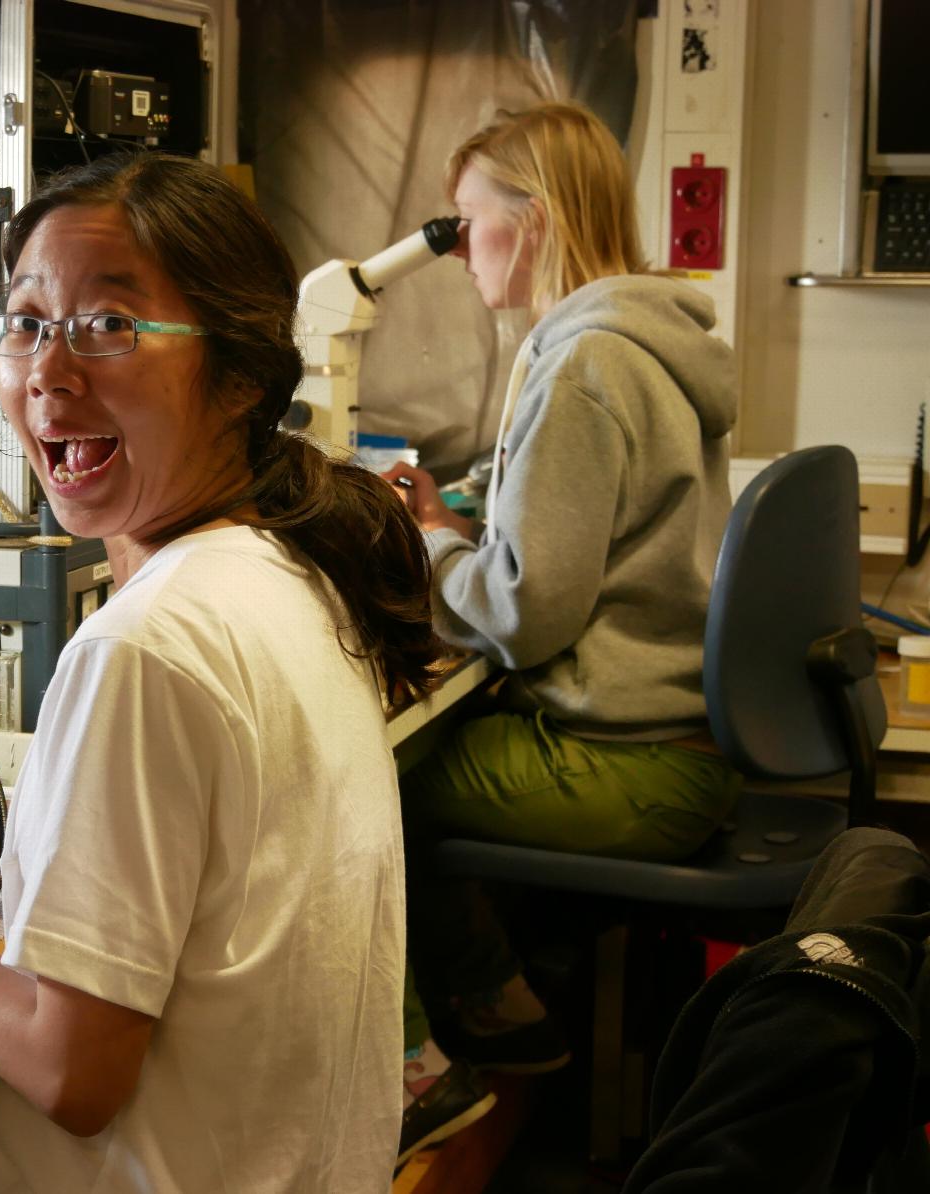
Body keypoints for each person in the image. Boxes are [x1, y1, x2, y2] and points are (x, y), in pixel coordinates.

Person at [0, 152, 448, 1192]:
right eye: (24, 322)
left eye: (109, 326)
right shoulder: (286, 571)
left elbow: (71, 1072)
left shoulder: (143, 646)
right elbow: (167, 871)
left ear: (239, 375)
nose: (46, 374)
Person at [371, 103, 742, 1145]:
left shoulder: (581, 366)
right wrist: (456, 526)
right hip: (673, 736)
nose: (454, 253)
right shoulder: (640, 341)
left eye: (464, 222)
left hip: (632, 763)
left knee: (356, 782)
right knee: (418, 745)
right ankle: (503, 1010)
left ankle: (415, 1081)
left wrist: (427, 549)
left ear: (530, 223)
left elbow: (525, 616)